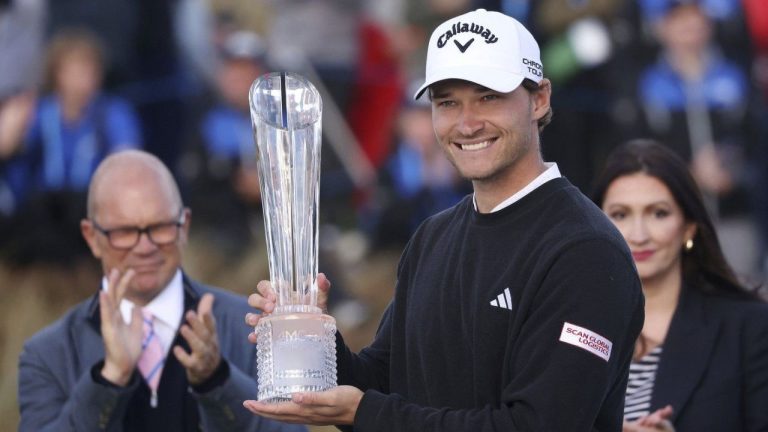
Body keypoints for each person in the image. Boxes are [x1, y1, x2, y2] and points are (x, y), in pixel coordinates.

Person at [243, 9, 645, 431]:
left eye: (488, 96)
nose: (467, 123)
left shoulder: (585, 251)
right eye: (447, 102)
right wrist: (314, 340)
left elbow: (538, 424)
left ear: (539, 98)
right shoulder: (432, 237)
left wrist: (365, 413)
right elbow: (384, 383)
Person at [17, 150, 306, 432]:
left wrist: (217, 381)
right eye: (125, 232)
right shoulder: (47, 356)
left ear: (184, 226)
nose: (145, 247)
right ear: (92, 237)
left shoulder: (254, 328)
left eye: (160, 227)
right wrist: (110, 379)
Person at [591, 140, 768, 431]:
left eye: (658, 213)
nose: (638, 234)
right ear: (595, 223)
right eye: (620, 215)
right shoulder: (564, 322)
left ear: (689, 227)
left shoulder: (750, 327)